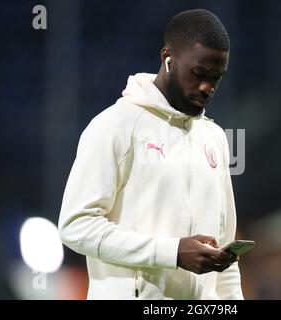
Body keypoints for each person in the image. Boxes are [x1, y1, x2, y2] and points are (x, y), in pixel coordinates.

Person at [58, 8, 243, 300]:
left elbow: (226, 247)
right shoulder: (115, 125)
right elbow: (75, 225)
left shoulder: (215, 138)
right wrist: (172, 253)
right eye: (199, 74)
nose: (208, 87)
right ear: (168, 59)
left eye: (216, 77)